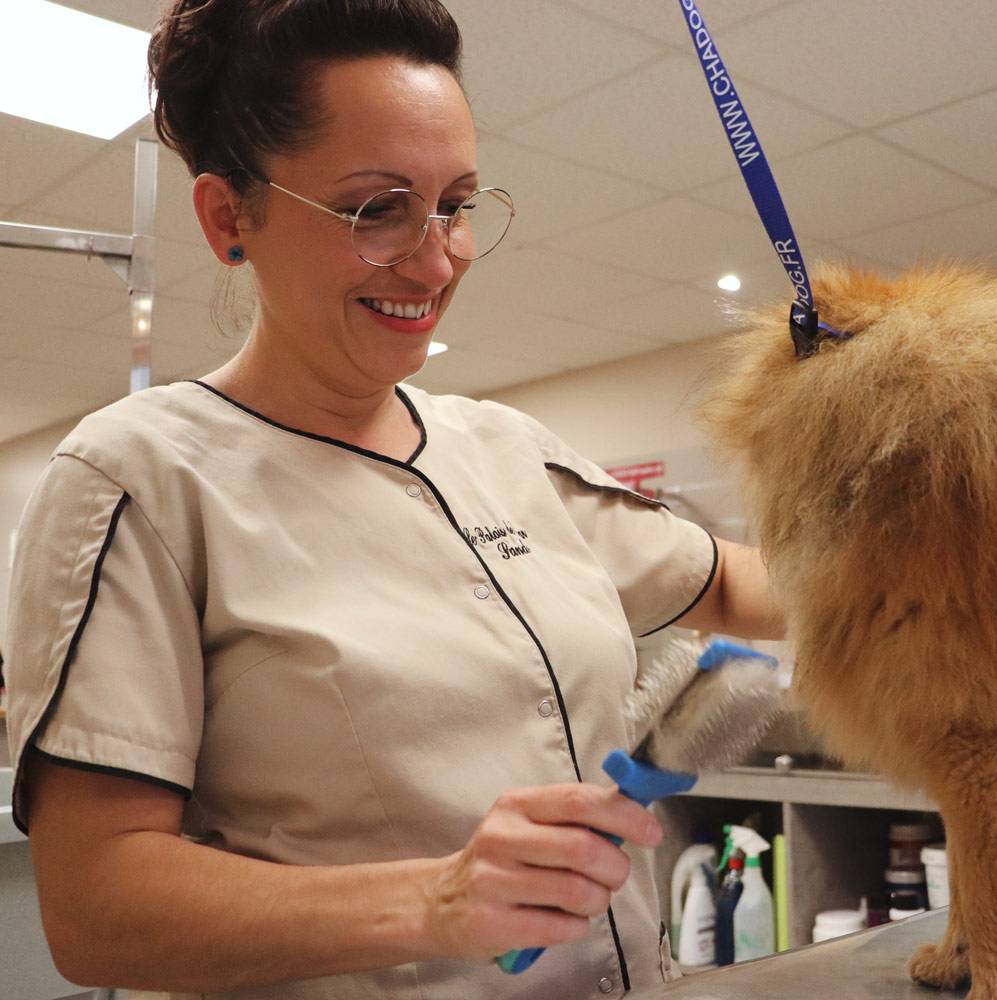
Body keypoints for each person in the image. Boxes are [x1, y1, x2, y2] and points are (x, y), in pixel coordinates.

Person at [1, 2, 783, 997]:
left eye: (455, 203)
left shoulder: (503, 452)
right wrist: (435, 900)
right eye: (377, 209)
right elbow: (96, 902)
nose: (437, 257)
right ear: (228, 217)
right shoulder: (144, 481)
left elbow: (747, 588)